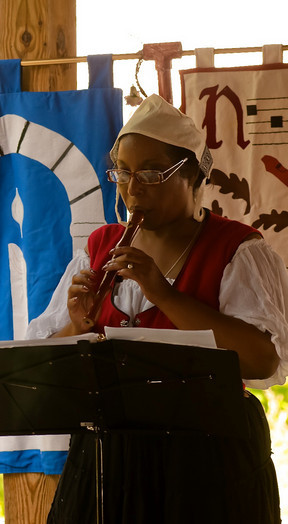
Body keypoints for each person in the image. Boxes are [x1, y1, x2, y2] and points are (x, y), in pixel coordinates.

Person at [28, 94, 287, 523]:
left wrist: (164, 294)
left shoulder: (236, 249)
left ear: (192, 175)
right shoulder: (99, 248)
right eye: (123, 173)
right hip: (108, 458)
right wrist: (76, 326)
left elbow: (262, 360)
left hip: (207, 459)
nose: (133, 189)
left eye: (150, 173)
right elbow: (47, 363)